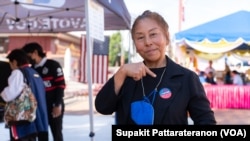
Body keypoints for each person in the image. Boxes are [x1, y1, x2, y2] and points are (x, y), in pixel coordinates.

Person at [95, 10, 216, 125]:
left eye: (153, 34)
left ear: (167, 37)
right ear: (135, 44)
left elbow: (206, 121)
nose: (148, 42)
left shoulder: (187, 78)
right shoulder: (126, 77)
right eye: (140, 37)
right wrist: (122, 72)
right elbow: (102, 107)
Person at [1, 49, 48, 141]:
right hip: (36, 118)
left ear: (14, 62)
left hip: (22, 119)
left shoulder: (18, 73)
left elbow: (9, 94)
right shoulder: (34, 73)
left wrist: (2, 94)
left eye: (10, 64)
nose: (10, 67)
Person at [22, 42, 66, 141]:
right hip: (40, 108)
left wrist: (57, 104)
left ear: (35, 53)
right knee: (42, 135)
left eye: (28, 56)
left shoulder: (53, 65)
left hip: (54, 106)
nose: (27, 59)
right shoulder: (31, 70)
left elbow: (61, 86)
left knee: (57, 134)